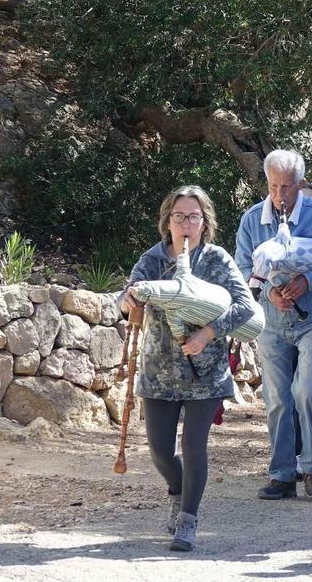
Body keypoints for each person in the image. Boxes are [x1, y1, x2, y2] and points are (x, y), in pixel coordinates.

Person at [120, 186, 257, 551]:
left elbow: (245, 306)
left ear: (204, 222)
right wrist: (129, 299)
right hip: (159, 371)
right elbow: (125, 300)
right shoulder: (151, 259)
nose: (185, 223)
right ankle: (177, 492)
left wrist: (208, 334)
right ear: (167, 221)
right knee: (160, 451)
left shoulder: (217, 260)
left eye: (193, 217)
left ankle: (188, 520)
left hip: (206, 371)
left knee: (193, 444)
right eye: (178, 216)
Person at [236, 150, 312, 502]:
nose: (280, 195)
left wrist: (308, 282)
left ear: (300, 185)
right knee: (276, 400)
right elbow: (242, 268)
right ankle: (282, 475)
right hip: (272, 324)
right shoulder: (252, 219)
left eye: (287, 187)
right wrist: (270, 292)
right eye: (273, 186)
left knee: (308, 392)